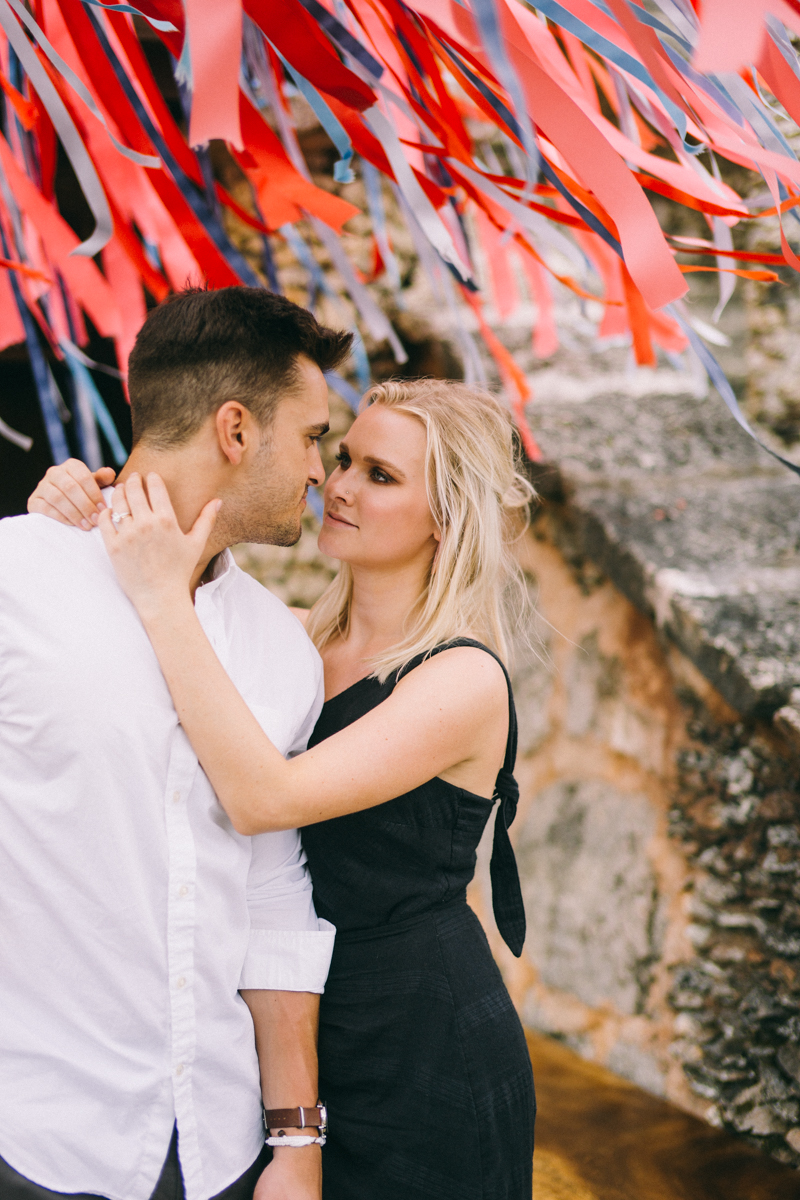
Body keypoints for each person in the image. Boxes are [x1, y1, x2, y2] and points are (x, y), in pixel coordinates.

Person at [30, 376, 537, 1200]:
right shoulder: (296, 641)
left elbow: (263, 798)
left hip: (420, 1033)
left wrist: (161, 593)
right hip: (297, 1025)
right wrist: (79, 513)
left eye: (380, 475)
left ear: (445, 517)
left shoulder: (463, 679)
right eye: (341, 459)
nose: (335, 485)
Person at [4, 287, 356, 1200]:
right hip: (37, 1139)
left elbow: (275, 900)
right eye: (313, 436)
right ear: (236, 429)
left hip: (221, 1150)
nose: (322, 471)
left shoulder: (283, 652)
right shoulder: (15, 581)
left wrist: (296, 1146)